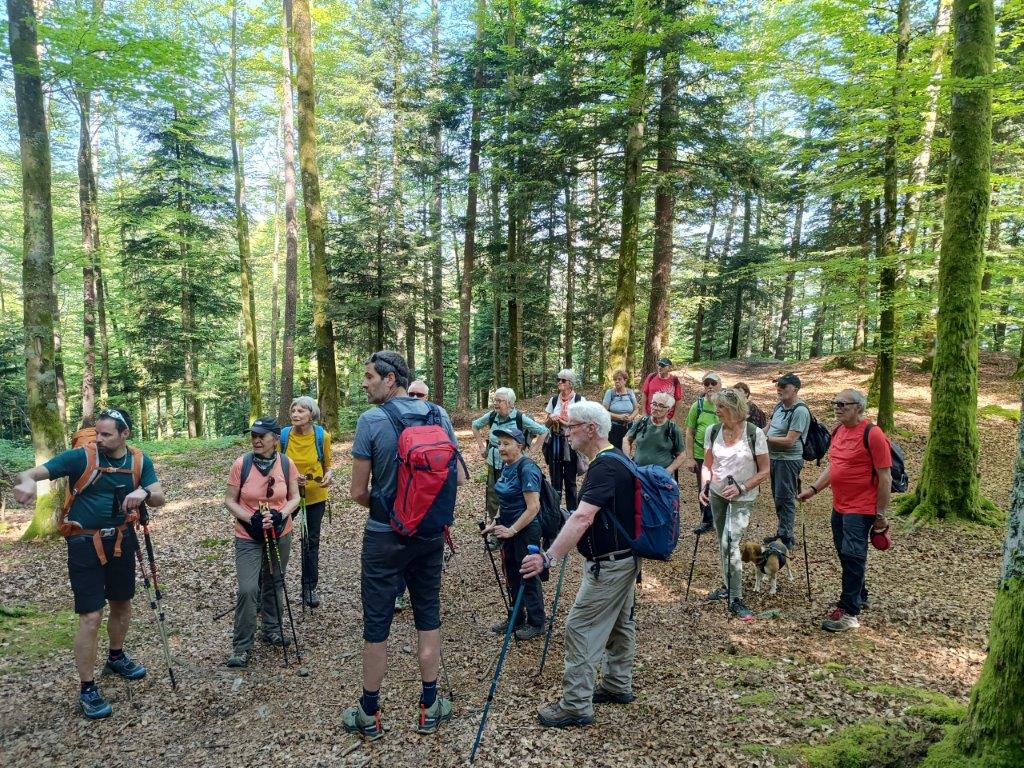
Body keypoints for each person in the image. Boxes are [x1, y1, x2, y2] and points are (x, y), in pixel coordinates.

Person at [13, 408, 164, 719]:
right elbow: (33, 473)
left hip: (121, 539)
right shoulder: (80, 457)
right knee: (91, 616)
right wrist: (26, 481)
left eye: (107, 434)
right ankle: (87, 688)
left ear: (125, 434)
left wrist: (143, 491)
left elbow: (159, 497)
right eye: (97, 433)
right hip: (84, 543)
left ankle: (116, 657)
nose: (100, 439)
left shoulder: (138, 460)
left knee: (122, 603)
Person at [345, 350, 465, 740]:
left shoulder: (371, 421)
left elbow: (357, 492)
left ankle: (369, 714)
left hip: (385, 536)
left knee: (377, 623)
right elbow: (459, 478)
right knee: (427, 614)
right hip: (430, 535)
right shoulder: (439, 415)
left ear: (390, 378)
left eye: (369, 376)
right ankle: (430, 707)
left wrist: (393, 510)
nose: (364, 383)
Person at [522, 401, 639, 729]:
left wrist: (548, 557)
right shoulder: (616, 459)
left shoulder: (605, 467)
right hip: (625, 560)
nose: (566, 432)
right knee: (620, 624)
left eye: (571, 426)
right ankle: (617, 684)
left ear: (591, 429)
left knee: (580, 626)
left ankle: (575, 705)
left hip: (610, 565)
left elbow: (584, 517)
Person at [798, 389, 891, 632]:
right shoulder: (838, 431)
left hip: (861, 508)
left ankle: (849, 612)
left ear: (859, 407)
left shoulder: (873, 434)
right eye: (834, 403)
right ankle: (860, 594)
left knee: (852, 555)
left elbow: (885, 477)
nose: (836, 407)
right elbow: (835, 466)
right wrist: (813, 489)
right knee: (844, 553)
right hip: (839, 505)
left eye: (842, 404)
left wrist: (880, 515)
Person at [225, 417, 301, 667]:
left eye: (261, 436)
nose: (256, 440)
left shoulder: (287, 464)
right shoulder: (242, 464)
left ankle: (272, 629)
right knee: (248, 589)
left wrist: (280, 515)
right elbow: (229, 500)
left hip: (280, 532)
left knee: (275, 581)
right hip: (248, 534)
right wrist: (251, 519)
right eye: (253, 436)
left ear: (275, 439)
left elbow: (295, 497)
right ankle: (241, 646)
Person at [698, 389, 770, 621]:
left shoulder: (754, 433)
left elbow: (765, 470)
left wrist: (742, 487)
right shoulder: (713, 431)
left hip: (743, 497)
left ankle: (736, 598)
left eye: (721, 407)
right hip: (717, 493)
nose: (717, 411)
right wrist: (704, 486)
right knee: (723, 541)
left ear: (735, 409)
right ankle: (727, 585)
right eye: (717, 406)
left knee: (730, 542)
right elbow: (707, 465)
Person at [483, 427, 546, 641]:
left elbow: (533, 507)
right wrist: (495, 522)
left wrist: (512, 530)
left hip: (525, 531)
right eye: (499, 443)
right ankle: (516, 617)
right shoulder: (507, 466)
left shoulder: (527, 469)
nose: (501, 448)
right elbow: (505, 500)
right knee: (510, 573)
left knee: (527, 573)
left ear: (519, 446)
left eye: (506, 443)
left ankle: (536, 622)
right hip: (508, 529)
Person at [472, 386, 548, 531]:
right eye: (495, 400)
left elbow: (543, 431)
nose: (496, 404)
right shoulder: (492, 416)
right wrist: (481, 447)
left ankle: (515, 526)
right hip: (493, 461)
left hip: (514, 464)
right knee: (493, 496)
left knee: (514, 495)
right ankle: (496, 529)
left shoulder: (519, 417)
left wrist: (531, 452)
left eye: (499, 401)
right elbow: (475, 425)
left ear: (510, 403)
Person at [281, 396, 333, 608]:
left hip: (315, 496)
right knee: (277, 537)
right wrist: (292, 479)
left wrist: (329, 475)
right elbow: (276, 466)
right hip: (287, 497)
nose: (295, 414)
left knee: (311, 542)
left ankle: (309, 588)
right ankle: (269, 586)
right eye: (293, 410)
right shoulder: (283, 436)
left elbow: (327, 465)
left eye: (301, 411)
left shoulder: (322, 436)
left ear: (312, 414)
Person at [766, 373, 810, 549]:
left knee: (785, 498)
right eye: (778, 386)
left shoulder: (800, 411)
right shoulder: (779, 406)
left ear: (795, 389)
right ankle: (782, 532)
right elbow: (768, 428)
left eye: (784, 386)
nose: (779, 389)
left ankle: (786, 538)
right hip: (774, 458)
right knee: (778, 497)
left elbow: (790, 441)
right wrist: (754, 433)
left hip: (788, 460)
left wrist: (765, 439)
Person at [684, 372, 722, 534]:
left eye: (713, 383)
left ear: (720, 385)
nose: (710, 386)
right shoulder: (697, 406)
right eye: (707, 384)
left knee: (722, 486)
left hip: (722, 456)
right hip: (701, 455)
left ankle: (721, 519)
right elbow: (689, 432)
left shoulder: (726, 405)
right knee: (703, 486)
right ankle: (706, 520)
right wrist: (689, 457)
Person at [543, 369, 585, 512]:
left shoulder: (579, 400)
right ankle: (556, 513)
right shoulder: (554, 400)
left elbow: (583, 423)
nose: (559, 382)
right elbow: (545, 424)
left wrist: (564, 422)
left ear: (571, 383)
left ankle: (572, 512)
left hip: (571, 443)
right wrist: (551, 419)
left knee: (570, 480)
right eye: (558, 380)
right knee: (555, 480)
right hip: (554, 443)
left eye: (563, 380)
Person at [622, 392, 686, 477]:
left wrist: (667, 472)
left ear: (668, 410)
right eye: (654, 404)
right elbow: (626, 439)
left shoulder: (672, 428)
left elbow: (681, 455)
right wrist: (627, 458)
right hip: (638, 473)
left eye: (661, 406)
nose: (656, 408)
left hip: (659, 478)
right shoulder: (642, 422)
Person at [602, 370, 639, 449]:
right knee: (615, 450)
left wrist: (631, 417)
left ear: (625, 381)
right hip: (614, 427)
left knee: (627, 448)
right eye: (615, 380)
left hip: (629, 427)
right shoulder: (610, 393)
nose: (617, 381)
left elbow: (636, 409)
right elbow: (603, 411)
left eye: (619, 379)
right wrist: (619, 417)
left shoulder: (630, 392)